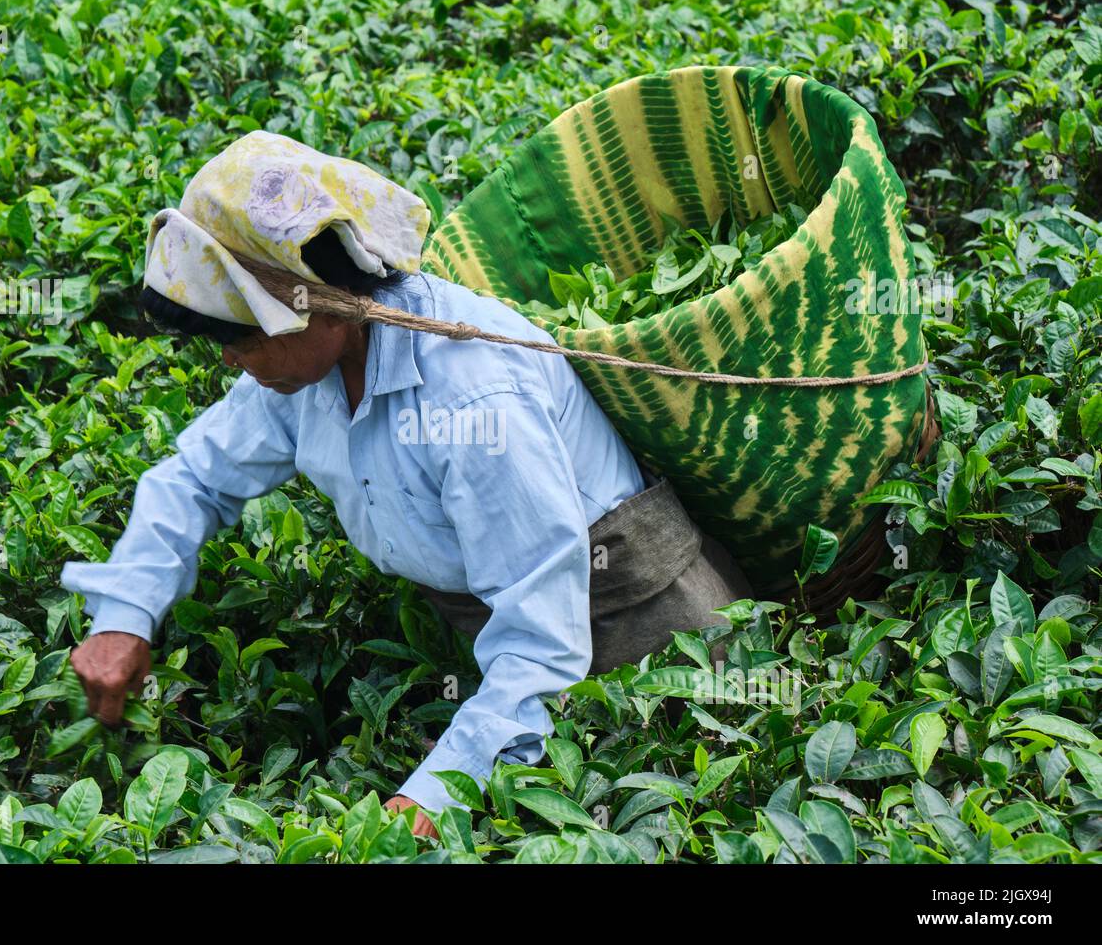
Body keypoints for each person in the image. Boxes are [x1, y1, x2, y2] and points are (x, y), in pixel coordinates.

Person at [60, 132, 752, 839]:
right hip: (496, 634)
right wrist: (125, 612)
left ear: (323, 304)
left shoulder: (475, 403)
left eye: (243, 338)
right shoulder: (297, 372)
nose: (237, 363)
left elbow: (542, 646)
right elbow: (195, 478)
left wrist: (436, 794)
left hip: (640, 627)